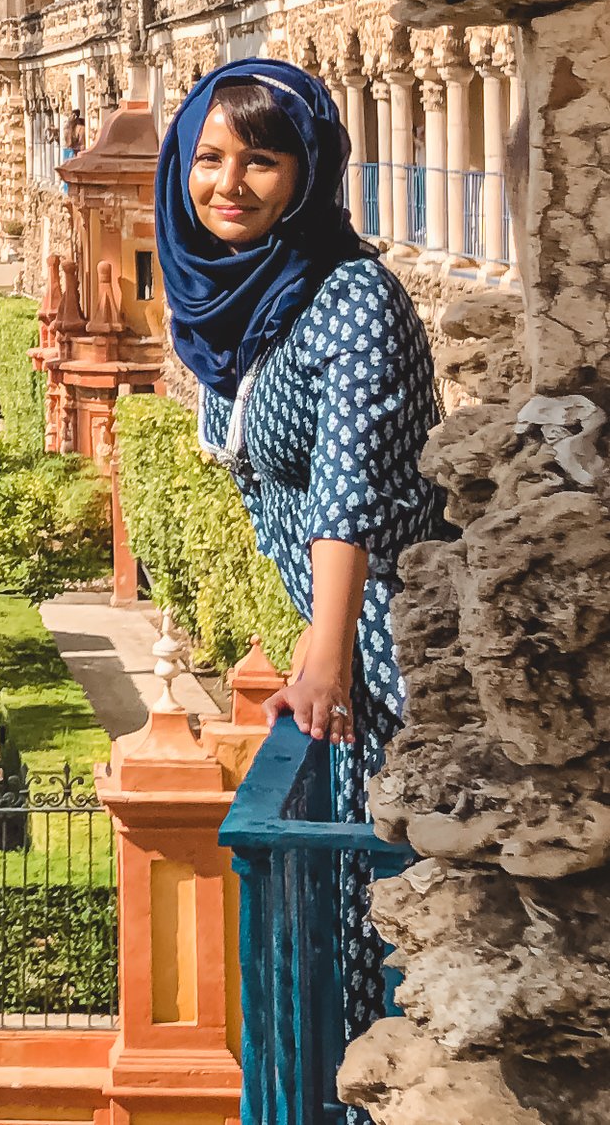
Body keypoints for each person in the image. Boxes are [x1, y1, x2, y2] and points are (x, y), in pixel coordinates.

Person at [154, 58, 448, 1022]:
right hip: (352, 652)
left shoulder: (352, 296)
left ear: (308, 172)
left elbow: (349, 495)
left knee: (406, 929)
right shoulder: (247, 305)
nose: (227, 185)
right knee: (365, 941)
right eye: (208, 157)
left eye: (261, 161)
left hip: (401, 655)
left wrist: (323, 662)